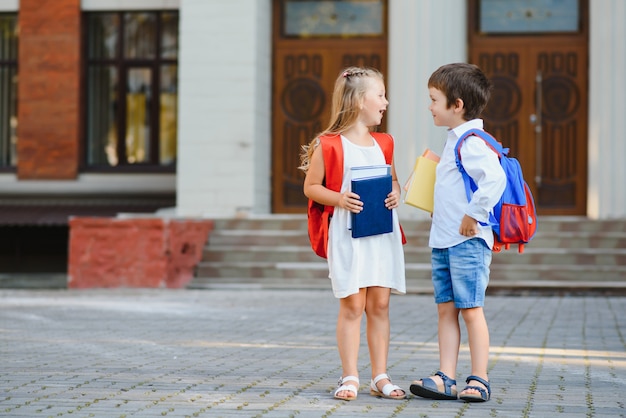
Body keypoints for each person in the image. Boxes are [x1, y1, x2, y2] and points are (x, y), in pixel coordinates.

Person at [300, 67, 406, 401]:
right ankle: (350, 376)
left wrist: (396, 192)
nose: (386, 102)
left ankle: (380, 376)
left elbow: (392, 180)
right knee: (352, 305)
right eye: (381, 95)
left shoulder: (385, 142)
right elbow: (311, 187)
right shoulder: (329, 145)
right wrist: (339, 198)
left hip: (381, 233)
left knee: (380, 305)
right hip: (347, 234)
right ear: (361, 101)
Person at [409, 63, 506, 403]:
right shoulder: (453, 141)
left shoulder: (471, 141)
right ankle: (446, 376)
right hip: (444, 241)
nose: (430, 106)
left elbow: (494, 179)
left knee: (471, 309)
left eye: (434, 99)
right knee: (446, 309)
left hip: (467, 241)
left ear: (457, 104)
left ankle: (479, 378)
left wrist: (473, 214)